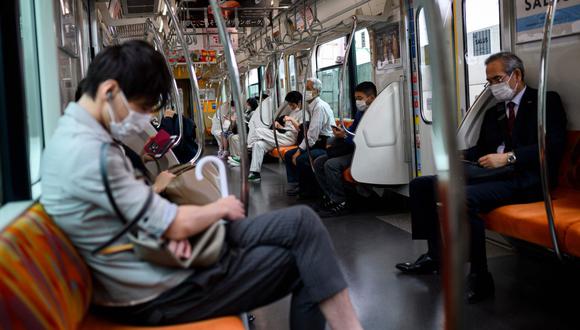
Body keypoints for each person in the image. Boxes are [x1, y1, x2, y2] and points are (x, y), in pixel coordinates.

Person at [40, 40, 362, 329]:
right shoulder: (91, 154)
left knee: (303, 226)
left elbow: (133, 218)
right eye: (141, 108)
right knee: (303, 262)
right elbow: (170, 225)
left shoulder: (76, 139)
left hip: (151, 255)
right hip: (156, 290)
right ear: (109, 91)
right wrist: (194, 218)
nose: (142, 120)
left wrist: (164, 228)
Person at [395, 52, 567, 303]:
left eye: (497, 79)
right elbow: (484, 149)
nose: (494, 86)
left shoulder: (544, 102)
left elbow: (553, 146)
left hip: (527, 179)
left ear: (516, 75)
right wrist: (462, 154)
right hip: (492, 175)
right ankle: (435, 256)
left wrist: (510, 157)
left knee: (463, 197)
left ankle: (480, 276)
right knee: (421, 186)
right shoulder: (494, 112)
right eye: (490, 81)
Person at [314, 81, 377, 217]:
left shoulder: (376, 115)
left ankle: (341, 202)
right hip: (351, 149)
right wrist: (343, 132)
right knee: (319, 162)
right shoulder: (360, 113)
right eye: (356, 99)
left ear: (371, 98)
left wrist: (345, 136)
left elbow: (364, 139)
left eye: (360, 98)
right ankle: (331, 196)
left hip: (362, 152)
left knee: (331, 165)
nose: (357, 102)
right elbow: (353, 131)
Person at [284, 78, 334, 197]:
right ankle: (296, 184)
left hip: (325, 143)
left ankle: (308, 190)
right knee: (288, 155)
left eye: (308, 89)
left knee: (301, 158)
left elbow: (312, 135)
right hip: (317, 141)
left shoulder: (319, 107)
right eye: (305, 89)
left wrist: (299, 150)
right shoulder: (312, 106)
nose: (305, 91)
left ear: (316, 91)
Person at [243, 91, 305, 182]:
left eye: (292, 105)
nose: (291, 107)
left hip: (290, 138)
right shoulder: (293, 112)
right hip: (283, 135)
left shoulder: (304, 113)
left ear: (299, 102)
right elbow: (288, 127)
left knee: (258, 131)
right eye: (290, 104)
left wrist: (291, 119)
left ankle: (246, 151)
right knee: (259, 144)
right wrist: (280, 126)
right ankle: (255, 173)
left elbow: (301, 129)